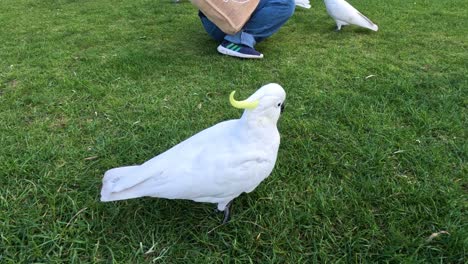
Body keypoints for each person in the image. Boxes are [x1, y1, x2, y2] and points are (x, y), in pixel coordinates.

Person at [198, 0, 295, 59]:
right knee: (285, 3)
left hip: (215, 18)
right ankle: (237, 42)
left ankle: (241, 36)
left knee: (285, 2)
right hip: (219, 20)